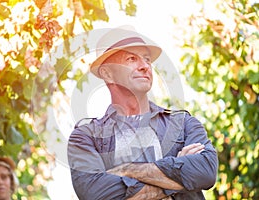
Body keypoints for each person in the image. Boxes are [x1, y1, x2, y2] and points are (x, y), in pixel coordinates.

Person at [67, 26, 218, 199]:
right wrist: (180, 176)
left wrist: (128, 170)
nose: (145, 66)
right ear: (107, 74)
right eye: (132, 58)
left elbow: (205, 172)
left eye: (147, 59)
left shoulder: (183, 123)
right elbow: (95, 194)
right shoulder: (86, 136)